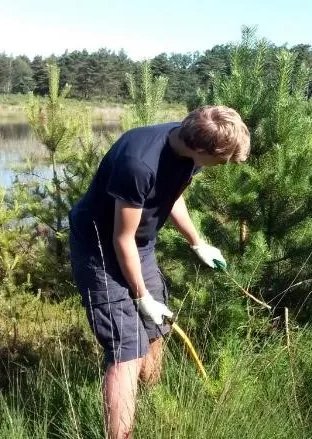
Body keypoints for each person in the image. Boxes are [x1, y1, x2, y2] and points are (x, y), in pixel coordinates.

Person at [68, 105, 251, 439]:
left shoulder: (188, 144)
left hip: (139, 245)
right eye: (221, 161)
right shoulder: (138, 163)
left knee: (155, 329)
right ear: (201, 148)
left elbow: (172, 195)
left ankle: (154, 405)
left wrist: (197, 242)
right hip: (100, 248)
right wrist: (141, 296)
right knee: (126, 349)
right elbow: (121, 239)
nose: (221, 167)